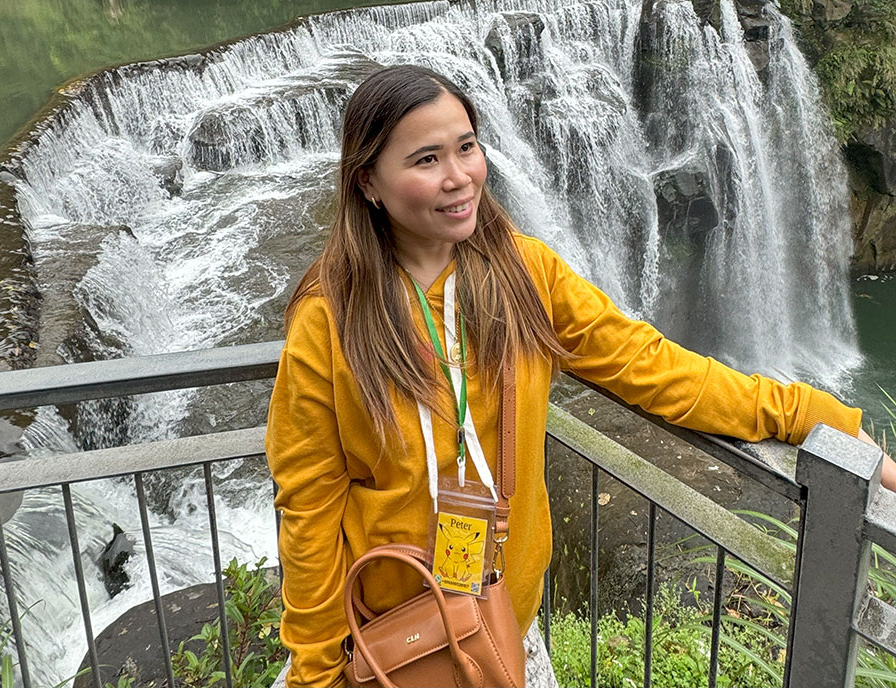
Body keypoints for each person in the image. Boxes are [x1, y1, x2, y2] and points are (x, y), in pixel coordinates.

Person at [265, 64, 896, 688]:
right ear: (368, 182)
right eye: (426, 160)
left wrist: (817, 417)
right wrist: (316, 673)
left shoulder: (526, 277)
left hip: (504, 621)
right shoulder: (330, 321)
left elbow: (657, 368)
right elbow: (310, 508)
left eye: (467, 147)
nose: (459, 177)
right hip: (390, 639)